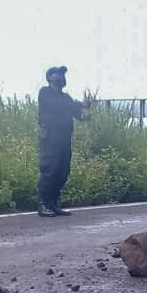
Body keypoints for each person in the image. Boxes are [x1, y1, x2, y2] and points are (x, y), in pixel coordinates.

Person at [37, 66, 90, 217]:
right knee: (49, 170)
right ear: (49, 77)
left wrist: (86, 112)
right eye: (57, 74)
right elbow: (57, 106)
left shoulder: (66, 98)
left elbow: (78, 115)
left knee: (63, 171)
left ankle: (53, 203)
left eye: (62, 74)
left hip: (65, 139)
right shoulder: (45, 92)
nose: (61, 76)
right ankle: (43, 204)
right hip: (50, 138)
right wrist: (79, 104)